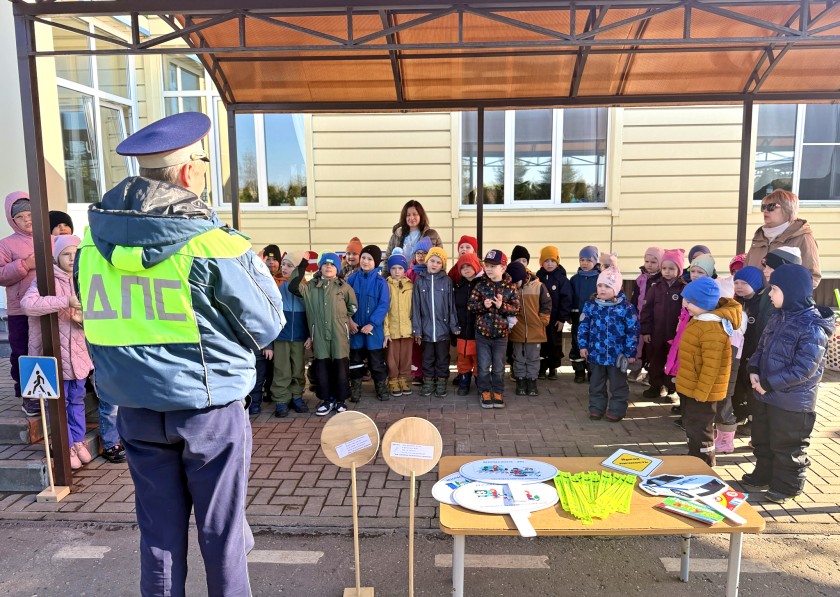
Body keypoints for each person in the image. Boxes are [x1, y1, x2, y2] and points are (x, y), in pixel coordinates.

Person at [74, 112, 284, 597]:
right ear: (189, 172)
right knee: (223, 538)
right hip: (208, 412)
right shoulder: (213, 244)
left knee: (159, 541)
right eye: (203, 162)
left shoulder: (90, 246)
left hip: (136, 412)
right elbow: (268, 323)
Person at [743, 264, 834, 503]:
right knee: (763, 439)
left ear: (791, 291)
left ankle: (787, 486)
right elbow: (761, 348)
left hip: (792, 402)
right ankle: (763, 474)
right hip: (765, 393)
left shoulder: (812, 327)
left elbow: (805, 368)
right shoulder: (777, 318)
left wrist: (769, 383)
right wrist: (754, 368)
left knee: (788, 446)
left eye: (774, 289)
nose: (770, 294)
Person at [21, 235, 92, 470]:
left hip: (79, 354)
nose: (71, 259)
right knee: (57, 403)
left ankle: (79, 440)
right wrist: (66, 301)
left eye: (75, 254)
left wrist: (83, 321)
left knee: (77, 399)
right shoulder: (45, 279)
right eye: (65, 254)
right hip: (54, 354)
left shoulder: (85, 278)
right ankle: (66, 444)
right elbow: (28, 304)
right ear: (56, 256)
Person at [674, 277, 742, 466]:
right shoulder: (699, 320)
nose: (684, 304)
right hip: (692, 388)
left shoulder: (711, 328)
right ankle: (694, 455)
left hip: (702, 392)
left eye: (688, 300)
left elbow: (712, 367)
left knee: (701, 428)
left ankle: (704, 461)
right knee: (692, 425)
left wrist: (702, 393)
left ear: (701, 302)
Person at [290, 252, 357, 416]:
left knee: (340, 367)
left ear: (337, 269)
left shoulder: (344, 287)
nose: (329, 267)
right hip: (318, 333)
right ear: (320, 267)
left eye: (332, 265)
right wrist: (304, 263)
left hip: (339, 333)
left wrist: (342, 321)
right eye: (325, 264)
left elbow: (353, 306)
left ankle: (340, 400)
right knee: (322, 368)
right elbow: (293, 285)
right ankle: (327, 400)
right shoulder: (311, 287)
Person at [577, 258, 640, 422]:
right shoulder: (591, 305)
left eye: (607, 286)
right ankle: (596, 408)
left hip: (617, 356)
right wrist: (582, 345)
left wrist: (630, 352)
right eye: (600, 285)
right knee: (596, 384)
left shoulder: (626, 308)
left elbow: (632, 331)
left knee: (618, 385)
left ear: (616, 288)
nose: (602, 289)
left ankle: (617, 409)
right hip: (596, 354)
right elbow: (583, 326)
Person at [0, 192, 38, 416]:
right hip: (20, 309)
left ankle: (53, 393)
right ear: (12, 220)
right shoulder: (6, 245)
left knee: (48, 350)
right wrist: (25, 264)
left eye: (30, 214)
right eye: (20, 217)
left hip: (50, 305)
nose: (27, 220)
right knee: (23, 352)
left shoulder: (48, 238)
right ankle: (28, 396)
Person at [469, 249, 520, 409]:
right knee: (483, 366)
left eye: (493, 266)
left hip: (501, 335)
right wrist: (482, 306)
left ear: (503, 268)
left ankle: (497, 391)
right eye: (487, 265)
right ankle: (484, 391)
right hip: (482, 335)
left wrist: (501, 306)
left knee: (498, 367)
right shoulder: (480, 286)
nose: (489, 269)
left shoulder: (510, 288)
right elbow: (471, 306)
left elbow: (515, 309)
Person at [745, 189, 821, 287]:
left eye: (771, 206)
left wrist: (785, 295)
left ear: (788, 209)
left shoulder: (803, 237)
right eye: (763, 207)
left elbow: (812, 277)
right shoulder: (760, 235)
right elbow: (746, 268)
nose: (765, 210)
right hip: (754, 299)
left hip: (782, 300)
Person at [412, 246, 459, 397]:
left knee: (443, 358)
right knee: (427, 358)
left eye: (438, 262)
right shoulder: (420, 281)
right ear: (427, 261)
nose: (434, 264)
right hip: (426, 330)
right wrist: (417, 330)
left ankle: (441, 381)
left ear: (443, 265)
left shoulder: (447, 281)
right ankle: (428, 381)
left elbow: (451, 306)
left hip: (442, 330)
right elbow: (416, 307)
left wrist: (453, 326)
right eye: (432, 260)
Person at [640, 249, 685, 402]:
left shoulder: (683, 288)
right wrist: (646, 330)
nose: (667, 271)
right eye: (664, 268)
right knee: (656, 360)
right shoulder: (655, 287)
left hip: (675, 334)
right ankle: (655, 386)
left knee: (673, 362)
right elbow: (646, 310)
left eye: (671, 268)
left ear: (679, 269)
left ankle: (672, 389)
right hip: (657, 332)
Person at [347, 245, 390, 402]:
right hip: (355, 329)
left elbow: (383, 305)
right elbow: (343, 301)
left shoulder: (380, 282)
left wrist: (372, 323)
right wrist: (350, 321)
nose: (365, 261)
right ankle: (356, 388)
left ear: (376, 262)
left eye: (370, 259)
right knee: (356, 361)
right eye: (363, 257)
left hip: (374, 331)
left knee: (377, 361)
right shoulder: (351, 279)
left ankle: (381, 387)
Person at [271, 251, 310, 418]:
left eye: (289, 265)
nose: (284, 268)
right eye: (283, 264)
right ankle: (281, 399)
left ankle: (296, 396)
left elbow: (311, 313)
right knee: (281, 369)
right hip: (282, 335)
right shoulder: (277, 286)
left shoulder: (305, 287)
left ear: (297, 269)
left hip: (300, 335)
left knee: (298, 368)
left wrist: (310, 334)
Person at [508, 261, 551, 397]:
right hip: (517, 329)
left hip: (535, 330)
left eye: (516, 282)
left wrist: (542, 321)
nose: (514, 285)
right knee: (519, 357)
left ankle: (532, 381)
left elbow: (547, 304)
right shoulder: (511, 289)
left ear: (522, 277)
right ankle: (520, 381)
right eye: (512, 283)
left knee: (533, 358)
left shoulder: (538, 287)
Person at [731, 265, 764, 427]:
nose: (738, 286)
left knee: (750, 386)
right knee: (736, 384)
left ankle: (752, 419)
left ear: (756, 284)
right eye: (736, 282)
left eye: (744, 283)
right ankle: (739, 413)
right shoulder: (735, 302)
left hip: (752, 353)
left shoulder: (761, 306)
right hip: (737, 352)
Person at [535, 245, 573, 380]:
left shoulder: (561, 279)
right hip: (540, 318)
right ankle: (541, 368)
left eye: (552, 261)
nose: (549, 264)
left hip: (555, 319)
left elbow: (566, 300)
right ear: (541, 262)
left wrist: (562, 319)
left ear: (557, 261)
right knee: (541, 344)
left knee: (554, 343)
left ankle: (553, 368)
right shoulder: (537, 278)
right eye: (546, 261)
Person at [383, 249, 414, 397]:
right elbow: (385, 310)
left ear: (405, 269)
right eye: (393, 268)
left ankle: (404, 378)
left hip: (407, 329)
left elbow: (414, 308)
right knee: (392, 357)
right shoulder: (386, 286)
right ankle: (393, 378)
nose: (397, 271)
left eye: (400, 268)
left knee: (406, 356)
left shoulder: (410, 285)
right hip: (393, 329)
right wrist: (386, 331)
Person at [452, 252, 483, 396]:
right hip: (462, 330)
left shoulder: (483, 285)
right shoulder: (458, 286)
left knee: (478, 359)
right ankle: (464, 382)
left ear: (476, 266)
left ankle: (479, 382)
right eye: (462, 267)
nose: (466, 269)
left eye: (469, 266)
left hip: (478, 331)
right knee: (463, 358)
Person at [570, 245, 601, 384]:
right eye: (582, 260)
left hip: (595, 317)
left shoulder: (600, 278)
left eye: (588, 260)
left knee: (592, 343)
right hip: (578, 316)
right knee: (577, 343)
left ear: (595, 261)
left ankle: (592, 371)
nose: (584, 263)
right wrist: (570, 314)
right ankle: (579, 371)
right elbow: (569, 298)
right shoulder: (575, 279)